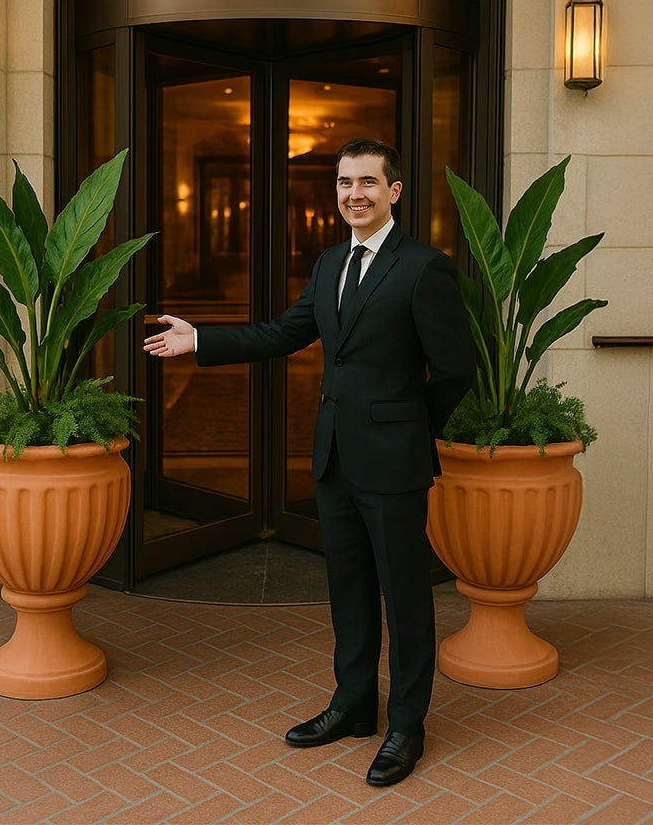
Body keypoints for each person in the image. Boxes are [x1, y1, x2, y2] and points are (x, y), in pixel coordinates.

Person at [143, 138, 474, 786]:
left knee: (405, 599)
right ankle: (353, 706)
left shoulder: (422, 268)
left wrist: (410, 429)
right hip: (334, 459)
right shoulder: (328, 264)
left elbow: (457, 369)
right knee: (348, 590)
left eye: (369, 183)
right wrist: (201, 339)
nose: (355, 193)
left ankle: (407, 724)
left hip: (394, 462)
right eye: (346, 183)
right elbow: (284, 333)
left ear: (394, 191)